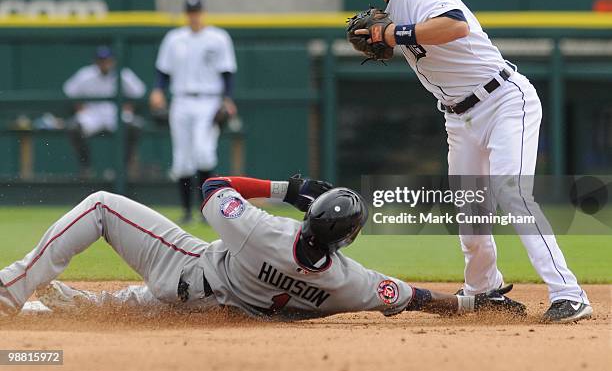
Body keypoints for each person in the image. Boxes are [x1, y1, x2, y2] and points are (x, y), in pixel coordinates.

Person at [338, 0, 592, 323]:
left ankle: (569, 293)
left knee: (512, 193)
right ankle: (484, 289)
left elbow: (455, 25)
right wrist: (380, 10)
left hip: (504, 100)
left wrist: (393, 33)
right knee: (471, 214)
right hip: (458, 117)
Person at [0, 174, 525, 319]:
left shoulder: (260, 229)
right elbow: (412, 297)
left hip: (184, 270)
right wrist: (473, 303)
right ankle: (77, 307)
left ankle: (14, 289)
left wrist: (286, 190)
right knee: (129, 307)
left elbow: (212, 187)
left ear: (307, 219)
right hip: (212, 309)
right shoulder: (350, 284)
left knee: (100, 205)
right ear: (347, 240)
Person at [149, 0, 237, 224]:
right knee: (182, 159)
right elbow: (163, 71)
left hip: (209, 101)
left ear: (203, 11)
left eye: (196, 11)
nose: (194, 15)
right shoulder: (174, 38)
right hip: (180, 100)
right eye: (190, 11)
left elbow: (227, 72)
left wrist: (227, 99)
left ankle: (207, 210)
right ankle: (188, 212)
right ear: (186, 13)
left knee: (204, 153)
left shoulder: (218, 37)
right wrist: (158, 90)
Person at [63, 46, 146, 177]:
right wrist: (78, 106)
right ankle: (86, 168)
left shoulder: (122, 74)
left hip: (115, 114)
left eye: (107, 60)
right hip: (92, 114)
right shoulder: (86, 74)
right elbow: (69, 91)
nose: (104, 64)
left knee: (134, 127)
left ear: (113, 61)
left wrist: (130, 105)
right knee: (74, 128)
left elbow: (139, 91)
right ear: (96, 61)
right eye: (101, 60)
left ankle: (122, 169)